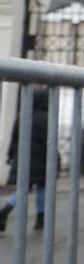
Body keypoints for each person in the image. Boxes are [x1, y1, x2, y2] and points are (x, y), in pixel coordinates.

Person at [0, 86, 50, 234]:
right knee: (42, 187)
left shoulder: (23, 115)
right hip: (43, 159)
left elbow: (14, 138)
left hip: (22, 157)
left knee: (23, 189)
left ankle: (5, 209)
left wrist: (10, 155)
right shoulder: (49, 118)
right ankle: (40, 220)